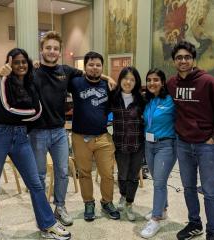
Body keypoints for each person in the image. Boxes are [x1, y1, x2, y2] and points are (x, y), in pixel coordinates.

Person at [0, 31, 116, 226]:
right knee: (40, 176)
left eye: (55, 48)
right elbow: (9, 74)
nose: (52, 51)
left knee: (62, 172)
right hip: (37, 133)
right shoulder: (32, 71)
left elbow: (90, 72)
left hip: (60, 133)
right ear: (42, 50)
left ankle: (60, 207)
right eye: (48, 48)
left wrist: (108, 77)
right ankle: (44, 215)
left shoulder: (66, 71)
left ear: (60, 51)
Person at [0, 48, 71, 240]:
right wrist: (29, 114)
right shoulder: (3, 80)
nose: (21, 65)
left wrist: (27, 115)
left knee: (35, 183)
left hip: (20, 137)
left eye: (24, 61)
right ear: (9, 63)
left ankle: (47, 224)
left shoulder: (30, 83)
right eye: (16, 62)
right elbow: (5, 111)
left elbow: (38, 111)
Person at [167, 40, 214, 240]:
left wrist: (213, 137)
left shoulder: (208, 82)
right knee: (188, 187)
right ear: (174, 61)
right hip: (183, 143)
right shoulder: (171, 83)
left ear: (194, 59)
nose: (183, 61)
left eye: (187, 57)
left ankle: (213, 230)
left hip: (206, 145)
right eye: (179, 57)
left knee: (210, 191)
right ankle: (194, 223)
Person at [69, 51, 120, 221]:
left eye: (98, 65)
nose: (95, 68)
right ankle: (88, 203)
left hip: (102, 137)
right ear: (85, 67)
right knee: (84, 173)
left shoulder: (108, 86)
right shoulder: (76, 82)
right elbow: (61, 72)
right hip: (79, 137)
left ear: (102, 67)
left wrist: (108, 79)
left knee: (108, 174)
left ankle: (107, 202)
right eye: (91, 64)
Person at [140, 68, 176, 238]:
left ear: (163, 82)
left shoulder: (171, 101)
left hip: (166, 146)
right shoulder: (147, 100)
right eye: (149, 80)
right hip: (149, 145)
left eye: (156, 80)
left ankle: (155, 219)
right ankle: (163, 209)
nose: (152, 83)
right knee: (157, 180)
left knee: (159, 183)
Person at [109, 66, 145, 221]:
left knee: (133, 176)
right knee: (122, 175)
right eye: (125, 78)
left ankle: (130, 204)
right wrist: (107, 78)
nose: (128, 82)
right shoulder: (113, 97)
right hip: (120, 144)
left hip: (137, 144)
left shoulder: (141, 99)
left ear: (136, 82)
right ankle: (123, 196)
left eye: (132, 79)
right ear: (120, 80)